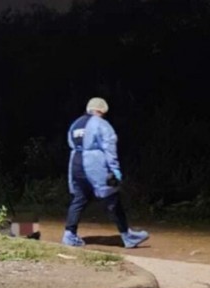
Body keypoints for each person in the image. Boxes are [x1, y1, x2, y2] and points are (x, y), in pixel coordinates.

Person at [64, 97, 149, 248]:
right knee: (112, 198)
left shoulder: (75, 124)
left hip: (75, 163)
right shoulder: (101, 124)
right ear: (102, 110)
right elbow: (109, 146)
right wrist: (115, 169)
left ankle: (69, 235)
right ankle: (127, 236)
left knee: (79, 198)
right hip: (94, 164)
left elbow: (70, 143)